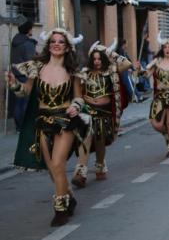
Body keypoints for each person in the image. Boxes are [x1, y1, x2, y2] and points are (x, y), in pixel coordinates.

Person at [6, 29, 89, 226]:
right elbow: (25, 91)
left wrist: (75, 107)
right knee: (52, 169)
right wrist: (13, 83)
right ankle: (68, 196)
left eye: (61, 41)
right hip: (43, 121)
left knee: (58, 164)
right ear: (48, 45)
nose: (56, 44)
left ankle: (60, 209)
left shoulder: (72, 71)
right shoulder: (37, 67)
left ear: (67, 46)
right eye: (53, 41)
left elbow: (78, 96)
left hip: (64, 122)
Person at [71, 40, 132, 188]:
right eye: (94, 58)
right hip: (87, 110)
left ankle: (99, 164)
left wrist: (110, 52)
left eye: (100, 58)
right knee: (86, 137)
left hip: (104, 113)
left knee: (100, 141)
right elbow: (78, 93)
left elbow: (127, 64)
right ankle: (81, 172)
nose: (97, 61)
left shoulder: (110, 72)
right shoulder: (84, 73)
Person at [10, 20, 37, 131]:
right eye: (31, 28)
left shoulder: (15, 42)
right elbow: (31, 62)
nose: (32, 30)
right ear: (28, 29)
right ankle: (25, 126)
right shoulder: (28, 44)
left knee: (19, 102)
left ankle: (19, 126)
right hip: (26, 77)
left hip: (16, 75)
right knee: (26, 103)